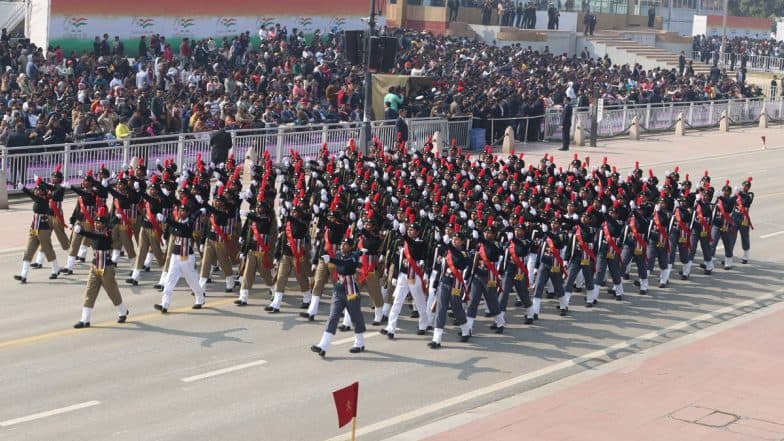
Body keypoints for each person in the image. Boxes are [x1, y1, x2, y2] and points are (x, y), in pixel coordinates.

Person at [72, 207, 129, 328]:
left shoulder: (106, 234)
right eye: (96, 222)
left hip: (106, 268)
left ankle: (123, 311)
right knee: (89, 292)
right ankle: (84, 320)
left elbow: (96, 236)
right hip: (95, 266)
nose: (97, 224)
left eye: (100, 223)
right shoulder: (97, 232)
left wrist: (81, 232)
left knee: (112, 292)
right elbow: (101, 229)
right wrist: (116, 217)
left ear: (104, 224)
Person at [310, 237, 368, 357]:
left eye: (346, 244)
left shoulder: (352, 257)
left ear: (351, 247)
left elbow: (345, 263)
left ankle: (359, 343)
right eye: (342, 243)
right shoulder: (339, 254)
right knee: (333, 317)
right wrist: (361, 251)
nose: (343, 245)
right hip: (339, 289)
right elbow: (347, 257)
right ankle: (323, 346)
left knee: (355, 316)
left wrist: (331, 259)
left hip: (351, 289)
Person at [155, 199, 208, 313]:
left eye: (183, 211)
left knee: (192, 280)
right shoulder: (177, 221)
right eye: (180, 211)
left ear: (188, 213)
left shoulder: (188, 224)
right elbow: (171, 229)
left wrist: (166, 219)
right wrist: (164, 235)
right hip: (175, 255)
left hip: (186, 256)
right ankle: (165, 304)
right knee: (169, 280)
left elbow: (179, 226)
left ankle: (200, 299)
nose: (181, 212)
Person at [381, 223, 430, 339]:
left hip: (413, 275)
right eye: (408, 230)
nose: (409, 231)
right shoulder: (403, 241)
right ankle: (390, 328)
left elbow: (414, 248)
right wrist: (395, 275)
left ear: (417, 232)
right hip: (403, 275)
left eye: (412, 230)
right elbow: (397, 258)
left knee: (419, 301)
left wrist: (404, 235)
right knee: (397, 301)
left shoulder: (421, 243)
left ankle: (423, 325)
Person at [15, 178, 62, 283]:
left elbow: (33, 196)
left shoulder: (45, 199)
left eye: (39, 189)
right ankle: (23, 274)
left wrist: (24, 189)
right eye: (36, 189)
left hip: (43, 228)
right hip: (34, 227)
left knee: (47, 249)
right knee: (28, 251)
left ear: (43, 191)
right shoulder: (38, 198)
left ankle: (55, 269)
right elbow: (33, 196)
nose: (36, 190)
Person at [429, 230, 471, 349]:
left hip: (456, 283)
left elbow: (461, 264)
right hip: (444, 281)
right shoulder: (447, 251)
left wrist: (449, 247)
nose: (454, 240)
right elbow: (441, 268)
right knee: (441, 308)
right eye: (453, 239)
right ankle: (436, 339)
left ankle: (465, 330)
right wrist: (436, 282)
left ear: (462, 242)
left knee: (456, 307)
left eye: (457, 239)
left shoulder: (464, 253)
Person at [733, 177, 754, 264]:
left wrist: (739, 193)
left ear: (748, 188)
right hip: (735, 216)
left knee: (744, 237)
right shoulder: (738, 194)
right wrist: (735, 194)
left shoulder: (749, 195)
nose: (744, 187)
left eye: (746, 186)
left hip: (744, 218)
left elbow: (747, 201)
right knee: (731, 237)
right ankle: (729, 256)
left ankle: (746, 255)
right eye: (743, 186)